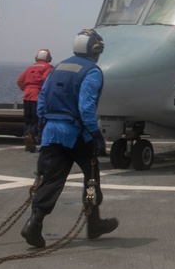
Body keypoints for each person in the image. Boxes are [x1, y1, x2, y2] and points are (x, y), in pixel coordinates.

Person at [21, 29, 118, 248]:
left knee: (51, 180)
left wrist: (43, 126)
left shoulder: (58, 67)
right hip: (76, 134)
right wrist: (94, 134)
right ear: (96, 49)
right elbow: (85, 106)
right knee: (91, 178)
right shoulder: (92, 71)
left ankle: (34, 224)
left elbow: (43, 99)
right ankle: (93, 223)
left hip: (52, 133)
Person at [17, 49, 54, 152]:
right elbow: (45, 80)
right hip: (37, 96)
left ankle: (27, 137)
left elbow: (20, 80)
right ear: (49, 58)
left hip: (27, 96)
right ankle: (31, 135)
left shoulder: (30, 67)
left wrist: (27, 89)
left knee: (28, 119)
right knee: (36, 118)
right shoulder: (48, 67)